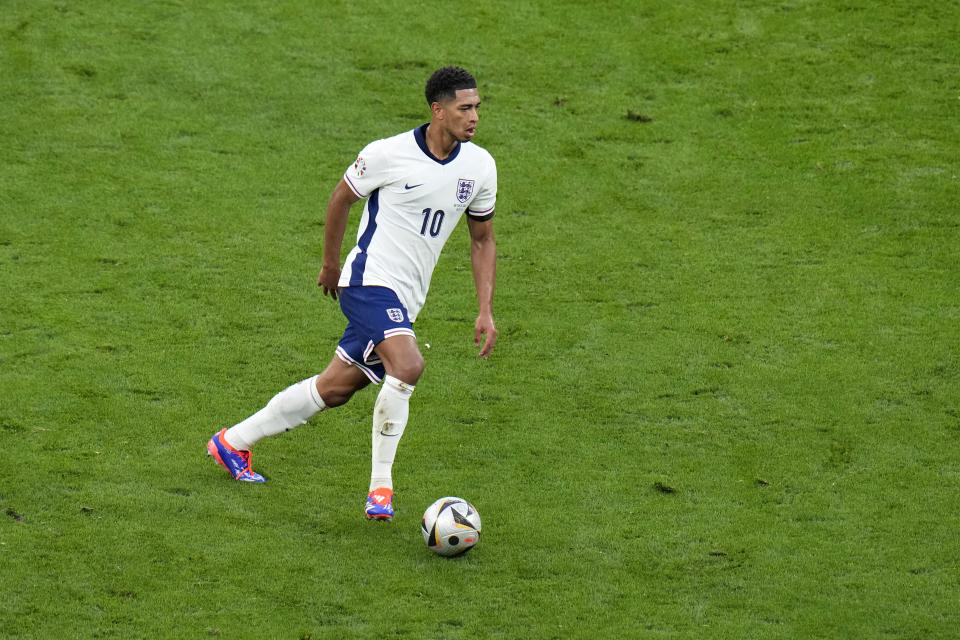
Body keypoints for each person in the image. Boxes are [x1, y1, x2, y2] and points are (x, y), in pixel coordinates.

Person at [206, 66, 498, 522]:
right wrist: (330, 264)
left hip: (406, 300)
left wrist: (485, 310)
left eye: (477, 107)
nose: (475, 116)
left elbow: (482, 239)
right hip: (366, 281)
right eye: (465, 108)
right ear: (438, 111)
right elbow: (341, 197)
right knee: (409, 364)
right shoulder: (388, 154)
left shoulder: (480, 166)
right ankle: (380, 489)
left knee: (335, 388)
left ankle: (233, 442)